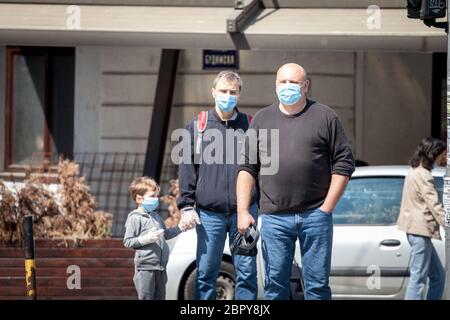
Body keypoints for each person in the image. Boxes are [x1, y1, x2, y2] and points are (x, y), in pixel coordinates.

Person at [236, 63, 355, 300]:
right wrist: (242, 211)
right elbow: (247, 167)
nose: (287, 87)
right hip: (274, 218)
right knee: (274, 287)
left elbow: (344, 163)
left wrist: (326, 209)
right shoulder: (261, 119)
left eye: (294, 82)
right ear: (275, 85)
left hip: (315, 215)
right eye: (283, 82)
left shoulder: (325, 116)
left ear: (306, 86)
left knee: (317, 286)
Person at [177, 70, 259, 300]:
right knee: (206, 273)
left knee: (247, 273)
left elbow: (260, 169)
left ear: (239, 94)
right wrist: (186, 206)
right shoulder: (197, 126)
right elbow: (186, 168)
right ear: (213, 92)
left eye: (233, 92)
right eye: (223, 91)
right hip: (209, 215)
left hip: (244, 214)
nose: (228, 95)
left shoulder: (250, 126)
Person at [123, 176, 192, 300]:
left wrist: (180, 227)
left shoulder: (156, 216)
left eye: (156, 196)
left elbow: (165, 234)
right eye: (152, 196)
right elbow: (128, 241)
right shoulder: (134, 218)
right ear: (139, 198)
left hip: (160, 267)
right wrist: (147, 238)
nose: (156, 199)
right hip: (145, 268)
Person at [397, 137, 446, 300]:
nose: (444, 158)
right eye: (443, 154)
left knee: (438, 275)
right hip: (420, 232)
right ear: (434, 154)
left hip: (416, 231)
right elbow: (434, 203)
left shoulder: (414, 171)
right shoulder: (424, 175)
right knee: (418, 279)